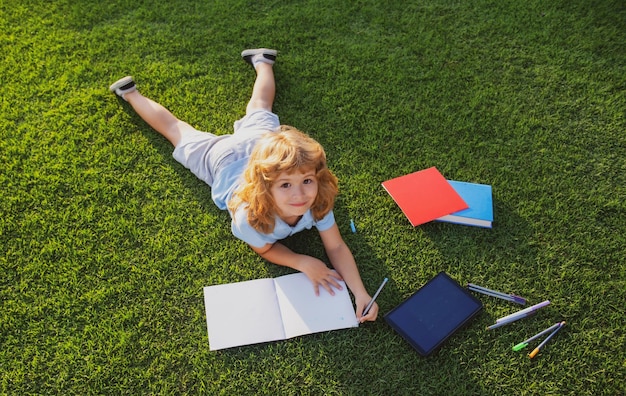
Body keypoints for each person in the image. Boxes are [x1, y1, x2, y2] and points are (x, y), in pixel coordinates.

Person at [109, 48, 378, 322]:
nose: (300, 195)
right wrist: (301, 261)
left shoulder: (318, 199)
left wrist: (360, 292)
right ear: (264, 187)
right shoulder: (249, 218)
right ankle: (131, 94)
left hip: (261, 142)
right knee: (176, 129)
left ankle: (263, 61)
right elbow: (265, 249)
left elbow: (335, 247)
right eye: (285, 185)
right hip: (223, 159)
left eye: (307, 180)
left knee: (261, 105)